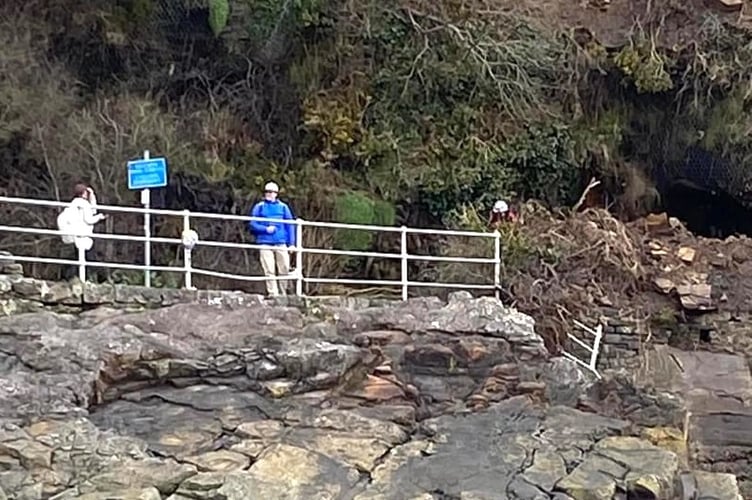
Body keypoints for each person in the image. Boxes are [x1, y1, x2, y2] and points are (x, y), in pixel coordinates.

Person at [248, 181, 296, 297]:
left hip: (280, 242)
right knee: (269, 269)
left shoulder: (283, 207)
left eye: (272, 192)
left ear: (276, 193)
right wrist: (265, 229)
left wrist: (292, 243)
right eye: (267, 192)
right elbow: (252, 223)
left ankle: (283, 292)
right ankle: (273, 293)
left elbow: (290, 225)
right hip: (265, 242)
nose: (269, 194)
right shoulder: (259, 207)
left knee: (284, 268)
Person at [57, 183, 106, 280]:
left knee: (79, 257)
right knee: (90, 257)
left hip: (74, 235)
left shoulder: (74, 204)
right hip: (82, 235)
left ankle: (71, 277)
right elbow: (89, 219)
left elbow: (92, 211)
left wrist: (92, 198)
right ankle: (101, 278)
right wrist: (100, 217)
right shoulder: (84, 204)